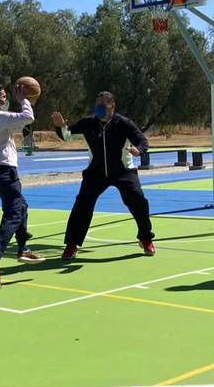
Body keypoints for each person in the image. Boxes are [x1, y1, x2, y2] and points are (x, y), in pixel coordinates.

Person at [51, 91, 155, 260]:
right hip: (96, 172)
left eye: (103, 104)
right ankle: (72, 244)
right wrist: (60, 126)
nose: (99, 107)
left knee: (138, 200)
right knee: (82, 205)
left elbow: (142, 141)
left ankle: (145, 238)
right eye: (97, 103)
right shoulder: (88, 122)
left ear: (112, 106)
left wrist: (139, 150)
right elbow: (67, 136)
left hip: (123, 171)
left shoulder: (123, 123)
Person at [0, 83, 44, 290]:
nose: (6, 100)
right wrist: (24, 98)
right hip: (3, 172)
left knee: (20, 206)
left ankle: (23, 247)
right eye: (4, 97)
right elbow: (28, 118)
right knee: (15, 211)